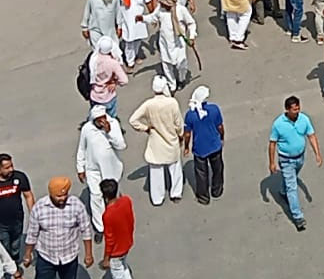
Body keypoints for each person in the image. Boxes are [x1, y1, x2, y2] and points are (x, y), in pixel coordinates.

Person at [23, 176, 95, 279]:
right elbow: (32, 233)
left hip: (69, 254)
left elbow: (85, 230)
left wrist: (88, 254)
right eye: (58, 196)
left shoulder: (76, 205)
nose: (62, 198)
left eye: (65, 194)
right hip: (46, 255)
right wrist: (27, 254)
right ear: (51, 193)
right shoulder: (40, 207)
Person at [129, 75, 185, 206]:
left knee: (156, 171)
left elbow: (133, 120)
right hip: (171, 140)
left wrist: (145, 128)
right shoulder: (172, 103)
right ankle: (176, 193)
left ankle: (157, 198)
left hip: (155, 142)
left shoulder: (149, 104)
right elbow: (178, 123)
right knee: (175, 168)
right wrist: (181, 135)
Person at [268, 95, 322, 230]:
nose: (297, 112)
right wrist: (272, 163)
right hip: (286, 160)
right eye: (294, 109)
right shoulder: (278, 124)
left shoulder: (304, 119)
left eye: (298, 108)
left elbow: (311, 136)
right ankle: (298, 217)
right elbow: (272, 144)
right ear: (287, 109)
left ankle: (282, 190)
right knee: (292, 187)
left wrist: (317, 154)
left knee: (291, 179)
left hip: (300, 158)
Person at [0, 153, 33, 263]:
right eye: (7, 168)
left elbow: (28, 196)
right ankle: (6, 266)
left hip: (17, 219)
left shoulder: (20, 177)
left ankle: (14, 260)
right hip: (0, 223)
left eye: (12, 165)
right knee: (2, 246)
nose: (11, 169)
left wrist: (33, 214)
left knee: (16, 244)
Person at [77, 107, 127, 224]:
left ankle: (116, 219)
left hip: (110, 169)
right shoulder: (87, 129)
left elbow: (121, 146)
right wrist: (80, 168)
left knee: (113, 196)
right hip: (93, 170)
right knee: (95, 196)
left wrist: (109, 133)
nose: (101, 122)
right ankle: (100, 226)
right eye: (98, 120)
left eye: (103, 118)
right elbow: (81, 148)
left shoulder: (114, 124)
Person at [99, 178, 142, 279]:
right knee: (125, 270)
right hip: (127, 243)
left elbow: (109, 240)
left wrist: (106, 258)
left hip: (116, 251)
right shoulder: (126, 201)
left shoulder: (107, 215)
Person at [183, 86, 225, 205]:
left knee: (201, 173)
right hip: (214, 145)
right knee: (217, 168)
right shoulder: (214, 109)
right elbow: (220, 127)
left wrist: (186, 147)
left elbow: (187, 134)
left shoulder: (190, 115)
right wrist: (222, 137)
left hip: (200, 148)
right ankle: (217, 190)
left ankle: (203, 197)